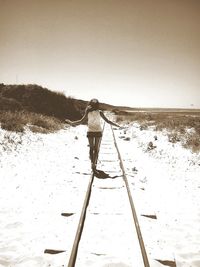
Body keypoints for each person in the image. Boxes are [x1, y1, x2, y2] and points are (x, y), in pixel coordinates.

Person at [65, 98, 120, 171]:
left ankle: (92, 163)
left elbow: (81, 121)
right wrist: (117, 125)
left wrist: (72, 123)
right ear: (97, 105)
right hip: (98, 131)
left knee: (91, 148)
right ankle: (94, 163)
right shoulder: (100, 112)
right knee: (96, 148)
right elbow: (108, 121)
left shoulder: (87, 112)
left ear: (90, 104)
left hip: (90, 131)